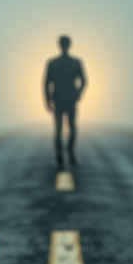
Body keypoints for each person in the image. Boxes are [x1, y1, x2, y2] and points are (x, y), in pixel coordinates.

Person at [44, 35, 87, 166]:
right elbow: (46, 83)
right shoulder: (72, 62)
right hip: (64, 99)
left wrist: (48, 99)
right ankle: (63, 152)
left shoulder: (55, 63)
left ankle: (66, 151)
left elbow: (47, 83)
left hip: (64, 99)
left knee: (67, 128)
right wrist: (78, 93)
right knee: (64, 128)